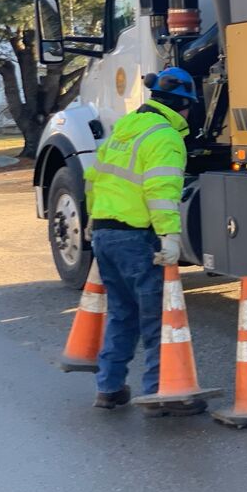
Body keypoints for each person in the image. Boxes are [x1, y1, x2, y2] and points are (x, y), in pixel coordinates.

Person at [85, 67, 198, 415]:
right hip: (137, 237)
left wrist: (93, 219)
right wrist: (170, 237)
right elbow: (161, 192)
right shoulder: (165, 137)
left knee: (122, 314)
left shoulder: (125, 128)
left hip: (105, 233)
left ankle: (109, 388)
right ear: (183, 104)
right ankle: (160, 394)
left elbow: (93, 178)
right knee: (157, 319)